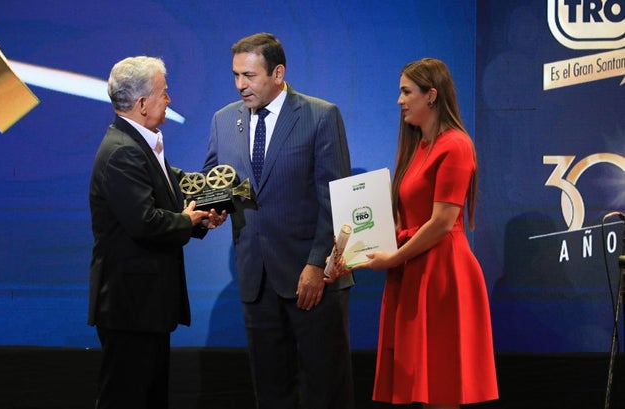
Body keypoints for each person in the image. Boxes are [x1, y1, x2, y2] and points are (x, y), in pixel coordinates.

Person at [328, 58, 499, 408]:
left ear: (431, 96)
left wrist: (394, 258)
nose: (399, 101)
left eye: (406, 92)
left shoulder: (456, 145)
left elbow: (441, 222)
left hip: (443, 275)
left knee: (441, 385)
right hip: (412, 271)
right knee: (416, 385)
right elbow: (397, 223)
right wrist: (353, 253)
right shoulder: (416, 146)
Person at [202, 33, 355, 409]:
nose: (240, 85)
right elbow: (213, 183)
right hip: (256, 280)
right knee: (271, 392)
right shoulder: (224, 120)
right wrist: (208, 213)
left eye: (249, 76)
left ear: (278, 73)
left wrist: (316, 264)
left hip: (312, 278)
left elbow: (334, 199)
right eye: (236, 75)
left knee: (325, 390)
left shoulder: (320, 116)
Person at [88, 56, 226, 409]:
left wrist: (201, 216)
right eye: (163, 93)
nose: (169, 99)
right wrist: (188, 221)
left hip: (145, 306)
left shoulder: (139, 144)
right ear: (142, 103)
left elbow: (170, 199)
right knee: (126, 398)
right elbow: (145, 222)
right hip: (131, 306)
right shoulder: (123, 152)